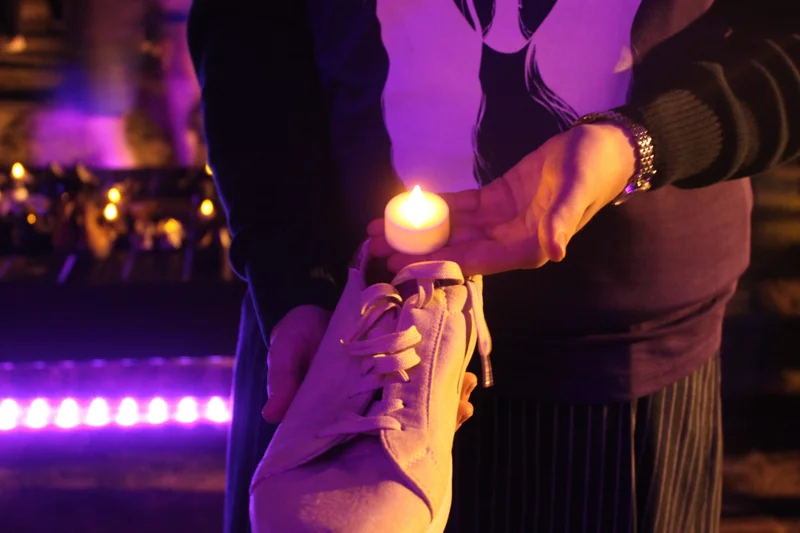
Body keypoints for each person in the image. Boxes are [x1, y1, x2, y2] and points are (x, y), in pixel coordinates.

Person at [187, 0, 798, 531]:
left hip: (612, 368)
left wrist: (638, 145)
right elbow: (250, 29)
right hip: (346, 347)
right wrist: (290, 274)